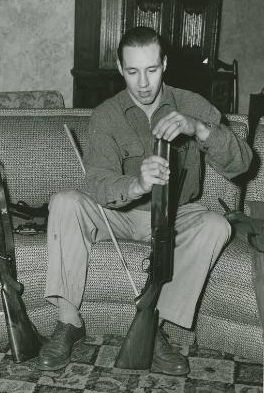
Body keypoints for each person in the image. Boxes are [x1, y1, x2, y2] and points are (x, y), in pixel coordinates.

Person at [37, 26, 252, 375]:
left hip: (178, 214)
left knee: (217, 225)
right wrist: (138, 184)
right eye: (133, 71)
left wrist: (198, 128)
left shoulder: (191, 104)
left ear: (164, 63)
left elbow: (242, 165)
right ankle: (68, 323)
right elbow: (98, 183)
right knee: (64, 201)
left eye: (151, 70)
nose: (143, 83)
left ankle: (154, 328)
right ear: (121, 69)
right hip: (120, 213)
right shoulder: (107, 114)